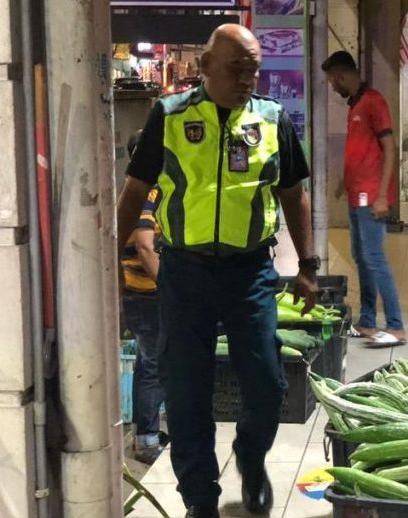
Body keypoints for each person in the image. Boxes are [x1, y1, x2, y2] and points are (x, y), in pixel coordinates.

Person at [116, 24, 318, 518]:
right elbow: (135, 190)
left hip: (249, 274)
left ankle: (251, 457)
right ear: (206, 66)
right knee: (186, 392)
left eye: (254, 70)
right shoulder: (169, 115)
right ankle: (200, 498)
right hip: (184, 274)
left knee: (268, 383)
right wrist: (108, 261)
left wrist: (308, 266)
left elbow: (294, 195)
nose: (247, 79)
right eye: (236, 69)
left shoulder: (272, 119)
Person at [322, 50, 407, 345]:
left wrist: (382, 196)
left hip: (371, 196)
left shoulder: (373, 101)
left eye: (332, 81)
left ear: (341, 76)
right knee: (361, 256)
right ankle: (368, 321)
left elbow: (389, 148)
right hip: (357, 195)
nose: (332, 86)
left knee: (374, 257)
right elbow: (362, 149)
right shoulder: (356, 104)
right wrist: (344, 182)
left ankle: (395, 325)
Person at [120, 130, 166, 465]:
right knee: (154, 366)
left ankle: (146, 434)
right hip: (148, 295)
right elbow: (145, 246)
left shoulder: (133, 192)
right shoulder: (148, 193)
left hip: (139, 293)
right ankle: (147, 440)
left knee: (148, 364)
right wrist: (170, 289)